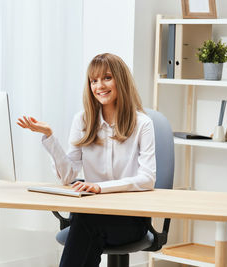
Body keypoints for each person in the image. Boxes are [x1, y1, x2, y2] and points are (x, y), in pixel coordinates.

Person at [16, 53, 156, 267]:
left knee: (84, 222)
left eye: (107, 78)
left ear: (121, 80)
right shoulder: (82, 120)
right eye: (94, 80)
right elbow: (68, 176)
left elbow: (147, 179)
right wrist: (50, 137)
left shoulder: (142, 124)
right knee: (85, 220)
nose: (99, 85)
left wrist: (99, 187)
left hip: (130, 219)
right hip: (93, 215)